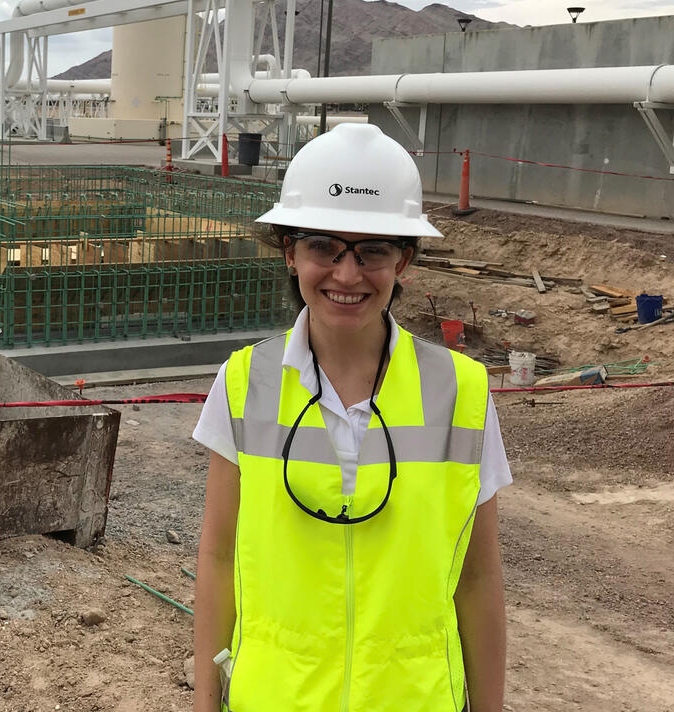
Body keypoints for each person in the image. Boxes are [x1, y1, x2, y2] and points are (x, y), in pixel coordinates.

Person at [191, 123, 509, 712]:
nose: (346, 274)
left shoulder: (460, 390)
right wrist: (206, 703)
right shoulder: (243, 382)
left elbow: (478, 577)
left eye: (373, 251)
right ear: (290, 252)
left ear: (403, 261)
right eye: (323, 247)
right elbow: (217, 556)